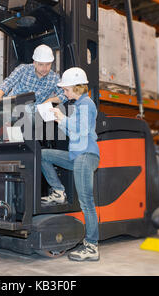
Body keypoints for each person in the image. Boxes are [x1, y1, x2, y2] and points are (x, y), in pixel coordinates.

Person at [40, 67, 100, 262]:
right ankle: (58, 192)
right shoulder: (79, 105)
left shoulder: (87, 104)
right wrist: (58, 119)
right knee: (44, 155)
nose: (64, 93)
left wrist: (61, 117)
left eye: (66, 89)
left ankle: (91, 246)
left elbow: (81, 131)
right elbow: (72, 133)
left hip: (86, 156)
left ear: (76, 87)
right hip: (76, 155)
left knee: (86, 202)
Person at [0, 44, 67, 106]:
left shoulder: (54, 78)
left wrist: (50, 100)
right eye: (41, 64)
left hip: (33, 118)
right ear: (34, 63)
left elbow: (65, 95)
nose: (45, 68)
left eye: (48, 64)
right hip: (12, 108)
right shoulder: (23, 69)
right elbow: (9, 82)